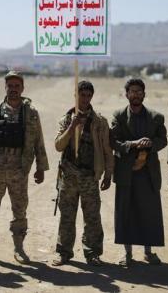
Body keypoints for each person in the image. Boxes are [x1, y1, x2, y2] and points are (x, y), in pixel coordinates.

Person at [0, 71, 49, 264]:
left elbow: (38, 142)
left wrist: (40, 167)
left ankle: (19, 249)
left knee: (20, 210)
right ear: (5, 87)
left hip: (19, 171)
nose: (13, 89)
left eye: (17, 86)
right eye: (10, 86)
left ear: (22, 88)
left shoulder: (31, 113)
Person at [52, 80, 114, 266]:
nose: (85, 99)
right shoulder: (66, 119)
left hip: (89, 177)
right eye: (82, 95)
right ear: (76, 95)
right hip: (69, 176)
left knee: (92, 217)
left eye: (88, 95)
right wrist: (72, 127)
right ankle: (64, 252)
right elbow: (58, 146)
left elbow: (106, 150)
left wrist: (108, 174)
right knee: (67, 216)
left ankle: (93, 253)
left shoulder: (100, 122)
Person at [111, 78, 167, 267]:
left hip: (148, 173)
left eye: (139, 91)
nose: (135, 94)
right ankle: (127, 254)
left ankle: (149, 252)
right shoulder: (118, 116)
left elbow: (163, 140)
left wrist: (151, 144)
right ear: (126, 94)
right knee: (125, 212)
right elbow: (114, 143)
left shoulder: (156, 117)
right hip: (127, 173)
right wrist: (133, 144)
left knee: (148, 212)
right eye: (132, 91)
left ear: (144, 94)